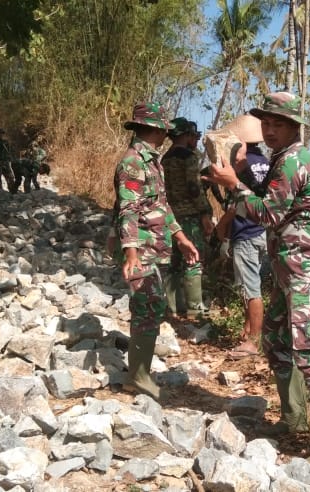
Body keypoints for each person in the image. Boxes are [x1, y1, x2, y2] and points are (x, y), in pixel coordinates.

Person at [202, 92, 310, 475]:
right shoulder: (280, 159)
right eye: (265, 123)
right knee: (277, 339)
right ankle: (293, 418)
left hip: (308, 269)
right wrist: (238, 174)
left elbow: (268, 211)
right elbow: (266, 192)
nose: (269, 129)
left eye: (278, 123)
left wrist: (234, 184)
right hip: (289, 268)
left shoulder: (295, 159)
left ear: (294, 126)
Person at [112, 102, 199, 401]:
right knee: (146, 307)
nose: (166, 135)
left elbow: (160, 204)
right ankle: (137, 377)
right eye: (164, 129)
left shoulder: (153, 160)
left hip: (155, 246)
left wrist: (180, 236)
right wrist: (131, 253)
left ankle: (140, 373)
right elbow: (128, 209)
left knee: (153, 306)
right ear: (155, 129)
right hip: (142, 249)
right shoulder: (133, 162)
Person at [214, 115, 272, 361]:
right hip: (263, 233)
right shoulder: (266, 163)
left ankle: (253, 342)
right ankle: (248, 331)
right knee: (254, 283)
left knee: (251, 289)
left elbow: (236, 204)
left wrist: (222, 229)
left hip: (246, 232)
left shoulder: (239, 166)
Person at [161, 117, 213, 320]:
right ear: (186, 135)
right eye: (194, 136)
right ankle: (195, 310)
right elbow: (194, 188)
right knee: (193, 259)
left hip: (171, 216)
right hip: (190, 215)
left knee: (174, 261)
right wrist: (205, 213)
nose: (196, 140)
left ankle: (173, 306)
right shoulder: (188, 157)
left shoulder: (165, 159)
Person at [0, 128, 17, 192]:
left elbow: (9, 151)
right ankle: (0, 190)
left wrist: (10, 160)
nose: (1, 135)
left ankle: (12, 190)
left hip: (6, 161)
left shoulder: (6, 142)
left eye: (2, 133)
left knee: (9, 176)